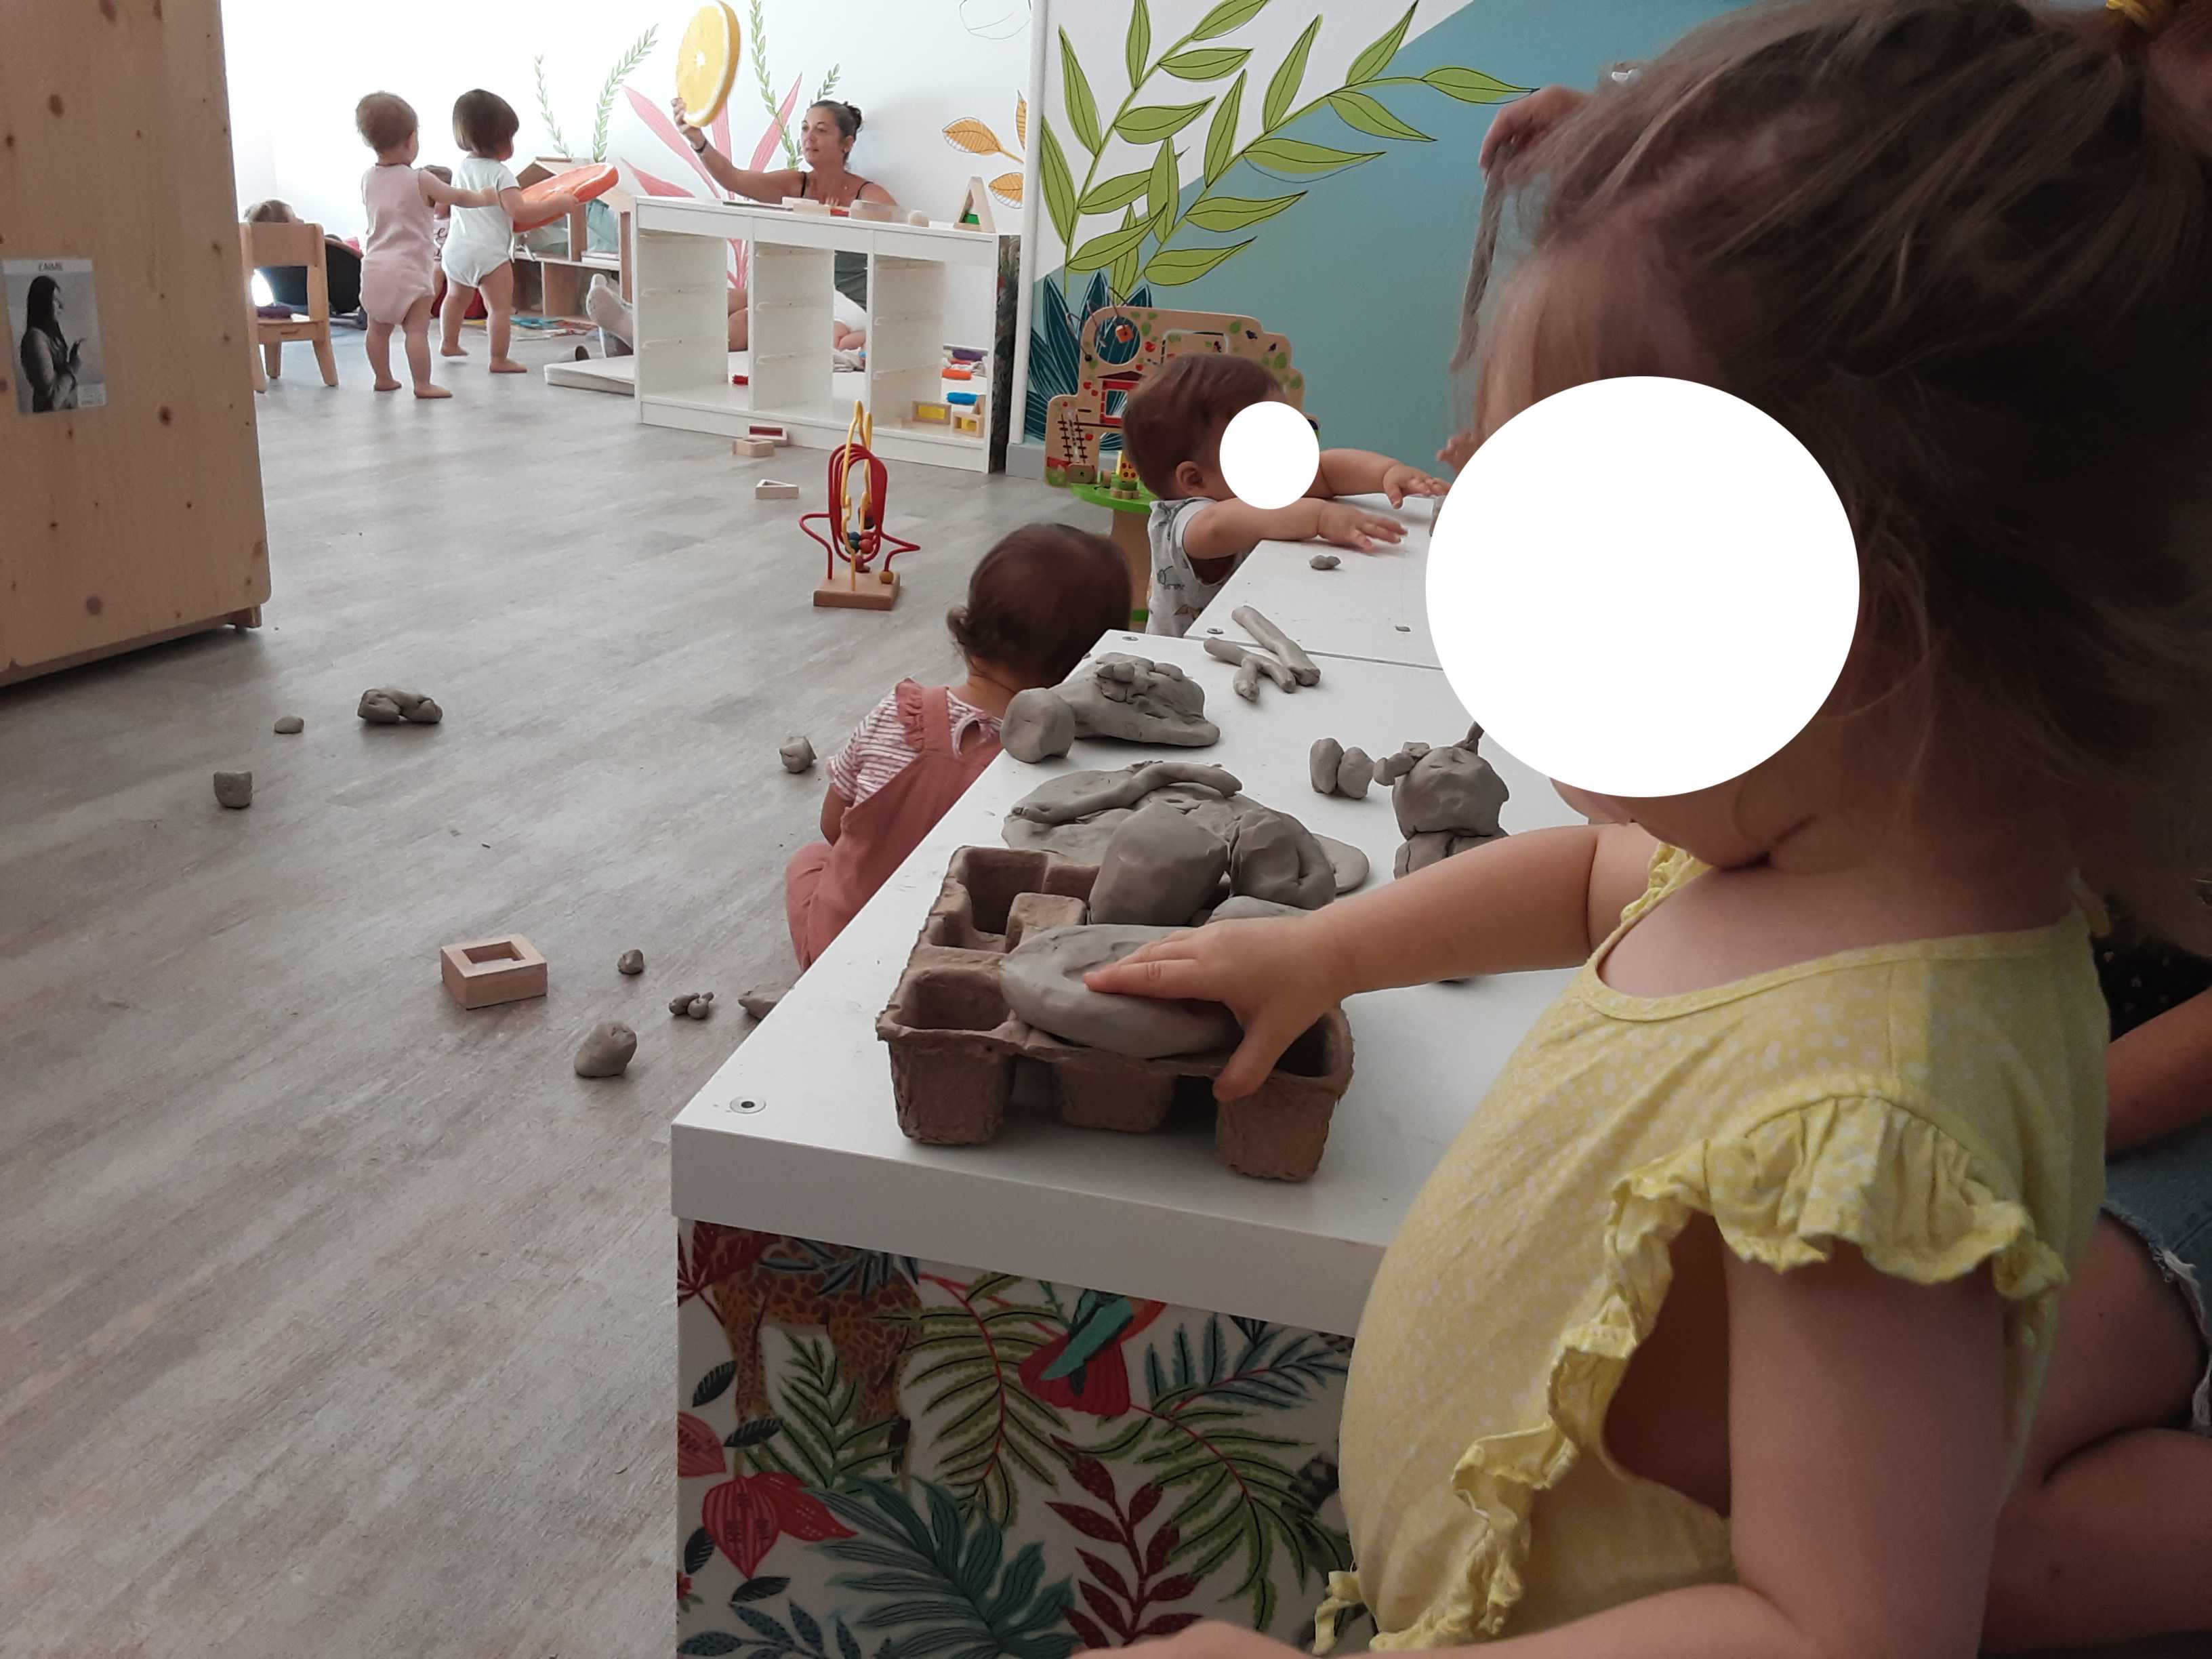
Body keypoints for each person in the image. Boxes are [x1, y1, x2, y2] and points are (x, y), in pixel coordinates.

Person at [1088, 2, 2212, 1654]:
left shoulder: (1872, 1121)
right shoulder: (1811, 862)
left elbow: (1838, 1634)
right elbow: (1584, 879)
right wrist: (1321, 951)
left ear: (1890, 610)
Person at [785, 524, 1130, 969]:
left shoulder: (899, 714)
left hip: (840, 951)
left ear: (970, 625)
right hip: (954, 962)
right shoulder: (1065, 773)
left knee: (812, 859)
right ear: (1088, 665)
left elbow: (833, 825)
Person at [1117, 352, 1445, 638]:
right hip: (1188, 664)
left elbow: (1326, 470)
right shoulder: (1184, 521)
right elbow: (1219, 526)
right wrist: (1320, 517)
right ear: (1196, 479)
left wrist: (1386, 473)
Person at [586, 99, 889, 354]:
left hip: (847, 304)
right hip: (803, 290)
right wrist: (697, 139)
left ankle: (638, 335)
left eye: (821, 131)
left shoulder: (869, 196)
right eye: (805, 128)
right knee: (728, 298)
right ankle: (635, 326)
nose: (809, 138)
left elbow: (902, 240)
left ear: (847, 144)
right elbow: (733, 178)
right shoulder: (796, 183)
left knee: (742, 321)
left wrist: (841, 221)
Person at [354, 92, 496, 398]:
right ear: (411, 139)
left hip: (374, 267)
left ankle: (383, 378)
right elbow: (457, 197)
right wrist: (485, 197)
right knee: (416, 330)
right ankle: (422, 384)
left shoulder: (368, 178)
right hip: (410, 268)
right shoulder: (420, 179)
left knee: (377, 329)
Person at [439, 89, 573, 374]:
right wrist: (558, 204)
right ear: (497, 141)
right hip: (489, 254)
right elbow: (520, 212)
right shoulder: (501, 174)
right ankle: (498, 359)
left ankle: (449, 342)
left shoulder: (462, 169)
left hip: (456, 250)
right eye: (510, 139)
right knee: (499, 308)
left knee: (455, 298)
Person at [16, 274, 80, 413]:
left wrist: (74, 356)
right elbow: (51, 403)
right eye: (55, 300)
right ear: (43, 303)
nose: (61, 306)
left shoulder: (50, 335)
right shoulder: (34, 338)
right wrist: (73, 367)